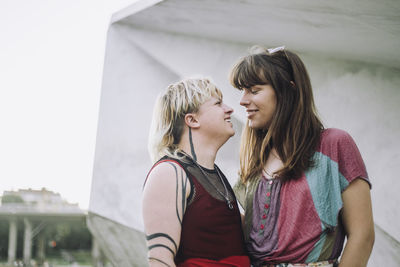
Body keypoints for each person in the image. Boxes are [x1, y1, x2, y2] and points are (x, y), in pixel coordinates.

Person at [229, 46, 374, 267]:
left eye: (254, 90)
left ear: (288, 91)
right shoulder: (256, 159)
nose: (242, 100)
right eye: (242, 90)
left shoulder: (334, 144)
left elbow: (362, 236)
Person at [142, 78, 250, 267]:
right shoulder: (168, 172)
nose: (229, 109)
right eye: (218, 104)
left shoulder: (215, 175)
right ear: (192, 120)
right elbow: (159, 260)